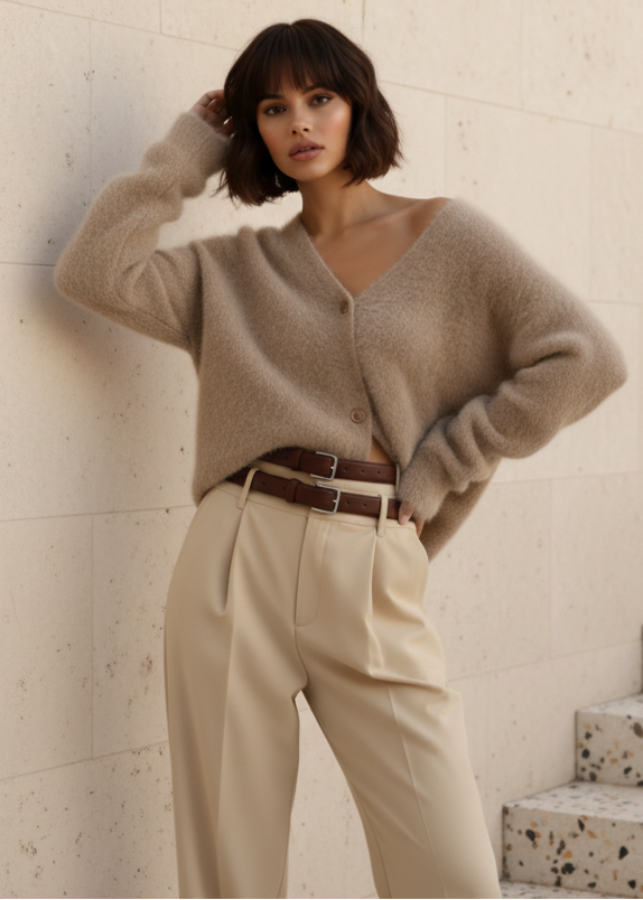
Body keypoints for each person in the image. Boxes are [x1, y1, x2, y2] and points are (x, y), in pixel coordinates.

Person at [53, 18, 627, 900]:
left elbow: (585, 358)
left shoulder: (450, 237)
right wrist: (188, 150)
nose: (300, 123)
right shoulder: (235, 271)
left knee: (449, 873)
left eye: (319, 98)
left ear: (357, 106)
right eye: (272, 108)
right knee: (228, 867)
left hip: (369, 561)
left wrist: (442, 461)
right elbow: (93, 273)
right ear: (254, 131)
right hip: (235, 554)